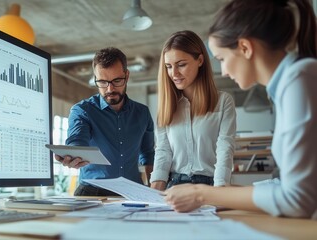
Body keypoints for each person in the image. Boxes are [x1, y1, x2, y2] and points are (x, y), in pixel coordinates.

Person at [164, 0, 317, 219]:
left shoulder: (299, 79)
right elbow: (285, 185)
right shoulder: (291, 81)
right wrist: (221, 196)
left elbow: (298, 199)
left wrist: (202, 193)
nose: (224, 72)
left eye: (222, 59)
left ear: (245, 47)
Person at [55, 47, 155, 196]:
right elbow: (77, 140)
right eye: (102, 82)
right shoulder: (83, 110)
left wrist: (153, 189)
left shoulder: (142, 113)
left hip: (132, 192)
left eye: (116, 80)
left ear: (126, 76)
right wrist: (73, 155)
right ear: (95, 79)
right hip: (91, 192)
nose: (110, 89)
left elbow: (148, 155)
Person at [149, 30, 236, 191]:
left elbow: (225, 148)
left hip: (210, 186)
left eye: (181, 64)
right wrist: (153, 192)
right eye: (168, 66)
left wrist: (218, 193)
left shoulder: (223, 102)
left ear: (200, 60)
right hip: (174, 187)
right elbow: (163, 151)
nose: (174, 73)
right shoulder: (166, 107)